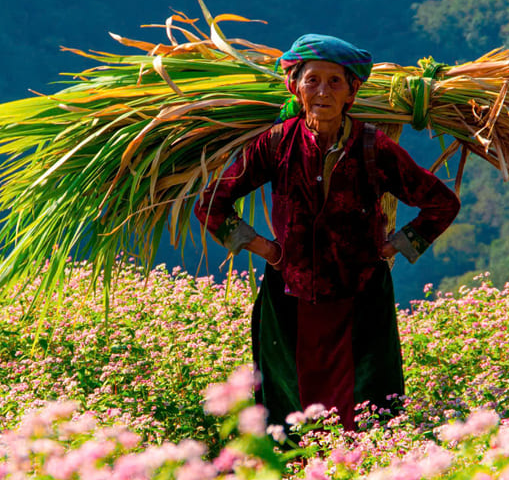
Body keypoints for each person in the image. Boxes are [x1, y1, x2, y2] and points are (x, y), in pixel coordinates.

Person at [194, 33, 460, 431]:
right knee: (289, 416)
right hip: (289, 304)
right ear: (295, 88)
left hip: (361, 303)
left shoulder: (374, 148)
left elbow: (442, 202)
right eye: (312, 80)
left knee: (369, 417)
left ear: (352, 92)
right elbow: (210, 203)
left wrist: (394, 245)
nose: (323, 91)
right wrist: (264, 248)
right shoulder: (276, 144)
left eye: (335, 81)